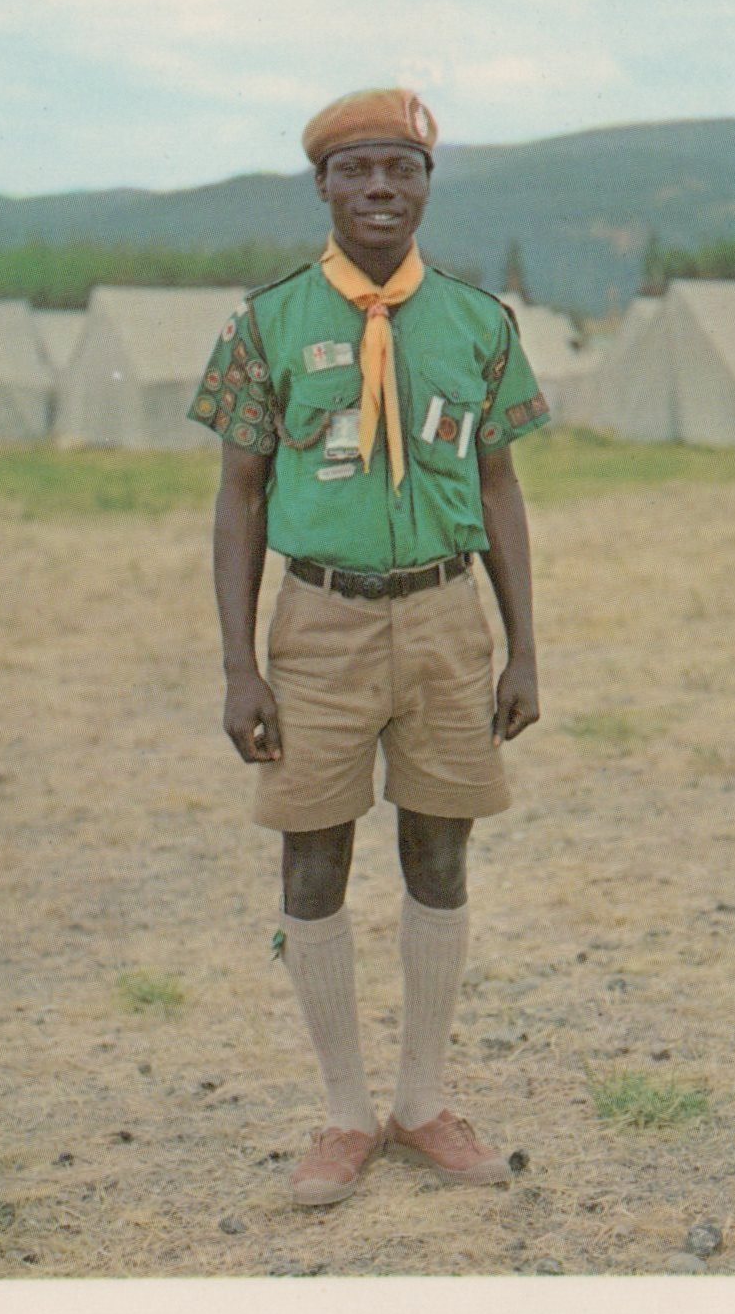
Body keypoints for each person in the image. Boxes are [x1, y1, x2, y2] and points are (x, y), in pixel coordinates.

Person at [189, 89, 549, 1206]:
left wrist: (522, 645)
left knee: (439, 854)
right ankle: (344, 1115)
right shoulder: (268, 323)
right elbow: (238, 493)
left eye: (401, 167)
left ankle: (423, 1100)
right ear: (324, 188)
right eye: (357, 171)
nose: (380, 189)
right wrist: (240, 661)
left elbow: (497, 482)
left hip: (445, 616)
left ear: (427, 183)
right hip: (320, 621)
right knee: (312, 856)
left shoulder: (479, 323)